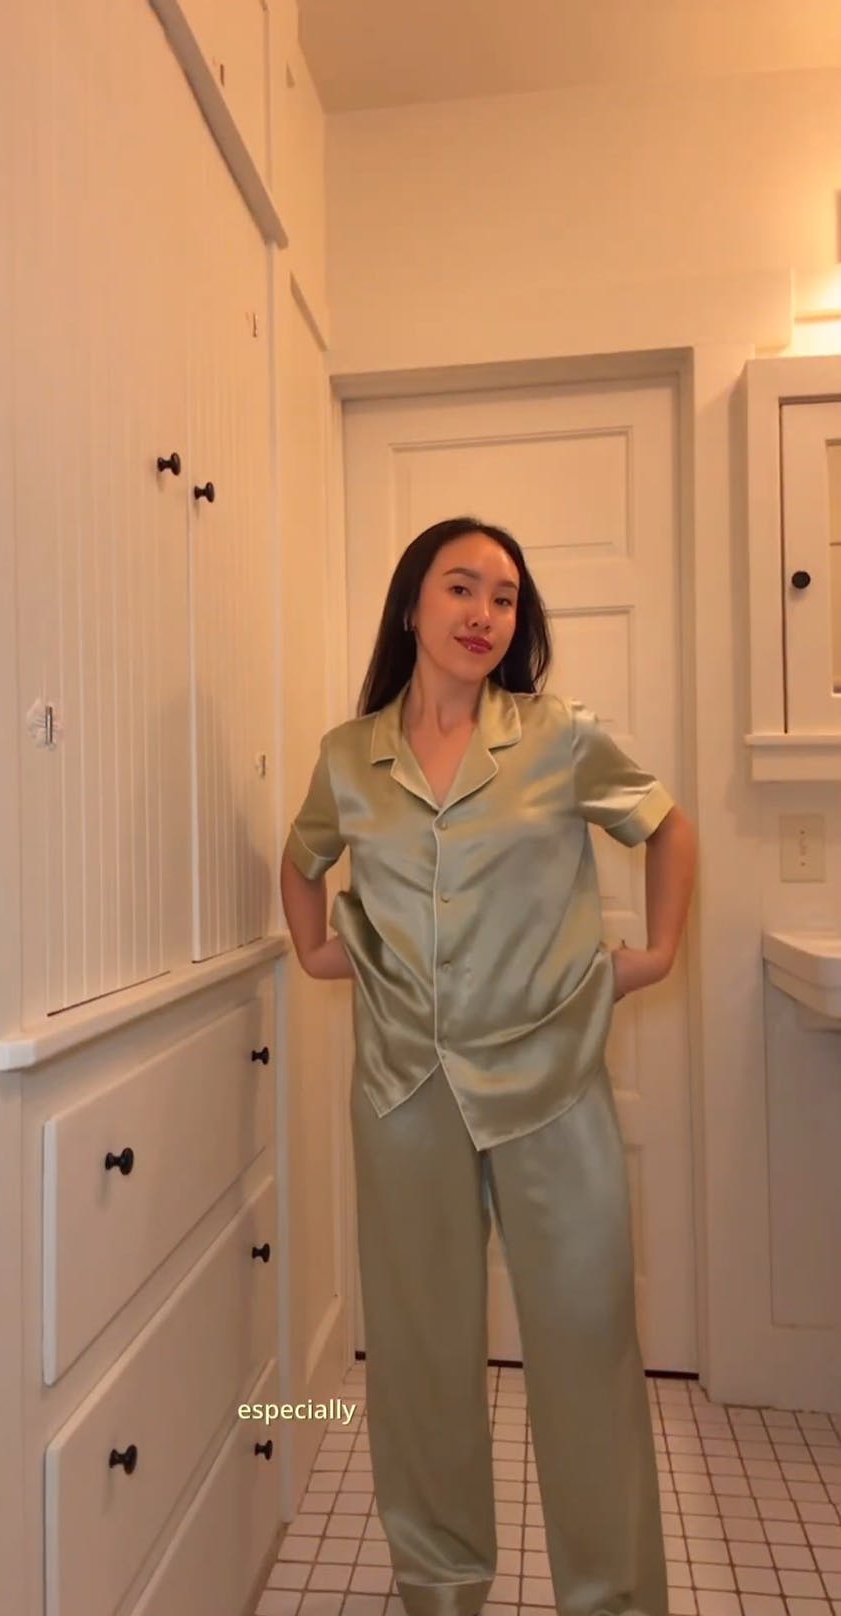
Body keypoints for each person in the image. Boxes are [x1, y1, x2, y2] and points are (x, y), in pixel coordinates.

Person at [280, 516, 697, 1616]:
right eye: (460, 587)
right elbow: (303, 857)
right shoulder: (348, 754)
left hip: (552, 1085)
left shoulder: (558, 735)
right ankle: (438, 1589)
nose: (483, 613)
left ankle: (611, 1598)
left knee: (587, 1345)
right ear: (410, 605)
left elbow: (666, 826)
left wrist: (655, 952)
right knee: (419, 1357)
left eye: (503, 596)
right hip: (404, 1090)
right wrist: (320, 950)